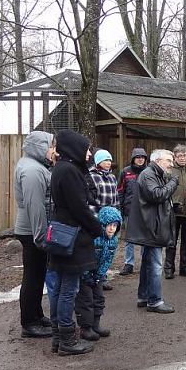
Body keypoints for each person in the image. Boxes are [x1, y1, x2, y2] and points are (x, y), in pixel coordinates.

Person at [48, 130, 103, 356]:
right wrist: (96, 227)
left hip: (62, 233)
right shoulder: (70, 171)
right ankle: (67, 340)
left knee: (60, 288)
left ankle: (58, 336)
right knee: (68, 289)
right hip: (72, 235)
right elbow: (79, 207)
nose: (89, 154)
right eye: (87, 149)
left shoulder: (62, 168)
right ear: (75, 149)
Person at [14, 131, 56, 338]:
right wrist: (41, 236)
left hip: (34, 229)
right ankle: (29, 322)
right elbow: (35, 206)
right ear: (39, 147)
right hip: (32, 230)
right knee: (32, 276)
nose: (53, 151)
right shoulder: (32, 170)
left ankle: (37, 315)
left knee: (38, 275)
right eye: (50, 146)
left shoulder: (36, 166)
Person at [126, 149, 179, 313]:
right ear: (158, 160)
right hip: (151, 228)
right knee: (155, 265)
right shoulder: (149, 174)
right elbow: (157, 195)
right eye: (168, 161)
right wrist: (173, 183)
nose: (171, 164)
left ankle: (143, 297)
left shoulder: (153, 174)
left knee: (148, 263)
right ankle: (155, 301)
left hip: (150, 226)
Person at [75, 206, 122, 341]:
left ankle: (96, 324)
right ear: (102, 224)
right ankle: (86, 327)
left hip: (98, 274)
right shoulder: (94, 238)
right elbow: (85, 256)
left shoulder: (113, 240)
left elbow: (107, 260)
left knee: (99, 297)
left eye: (115, 225)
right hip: (85, 273)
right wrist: (86, 274)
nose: (112, 228)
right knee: (86, 299)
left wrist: (100, 274)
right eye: (109, 225)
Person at [163, 145, 186, 279]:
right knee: (171, 241)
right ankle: (169, 268)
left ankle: (184, 267)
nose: (182, 158)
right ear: (175, 157)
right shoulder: (169, 172)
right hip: (174, 211)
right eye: (179, 156)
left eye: (184, 155)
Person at [87, 148, 119, 290]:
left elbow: (116, 197)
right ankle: (91, 275)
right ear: (98, 161)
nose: (108, 163)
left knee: (108, 249)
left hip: (111, 218)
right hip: (98, 218)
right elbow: (91, 200)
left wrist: (117, 214)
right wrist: (95, 219)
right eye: (105, 160)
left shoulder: (112, 177)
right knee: (97, 248)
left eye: (110, 160)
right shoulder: (91, 176)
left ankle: (102, 276)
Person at [117, 148, 148, 275]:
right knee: (129, 238)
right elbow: (120, 191)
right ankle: (129, 263)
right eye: (138, 157)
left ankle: (145, 263)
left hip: (145, 209)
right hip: (129, 209)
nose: (140, 159)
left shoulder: (149, 171)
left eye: (143, 157)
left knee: (144, 238)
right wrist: (120, 207)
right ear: (133, 158)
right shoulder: (125, 172)